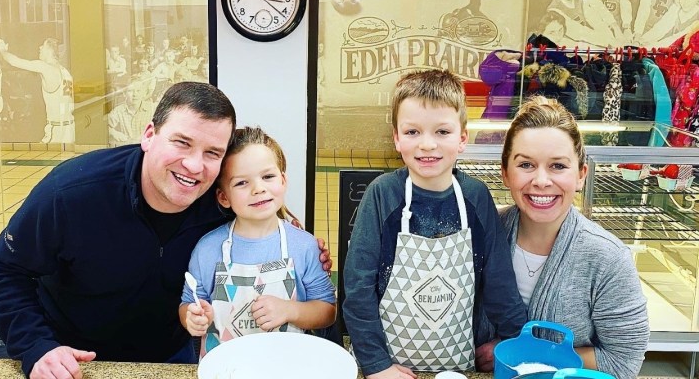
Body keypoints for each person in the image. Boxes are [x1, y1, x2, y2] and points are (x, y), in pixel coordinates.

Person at [0, 82, 332, 379]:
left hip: (171, 356)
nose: (194, 165)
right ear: (149, 135)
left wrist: (300, 241)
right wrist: (36, 347)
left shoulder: (218, 199)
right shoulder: (71, 194)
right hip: (75, 357)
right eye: (182, 142)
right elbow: (3, 269)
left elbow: (263, 212)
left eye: (213, 152)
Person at [343, 69, 526, 378]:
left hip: (459, 366)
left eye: (442, 132)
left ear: (463, 138)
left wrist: (512, 343)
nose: (427, 145)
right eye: (413, 132)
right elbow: (357, 286)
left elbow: (499, 281)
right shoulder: (382, 194)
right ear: (397, 139)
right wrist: (376, 365)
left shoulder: (476, 197)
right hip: (386, 365)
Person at [494, 95, 649, 379]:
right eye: (526, 165)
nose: (541, 180)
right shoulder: (485, 233)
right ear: (505, 173)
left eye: (558, 166)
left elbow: (623, 360)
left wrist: (530, 356)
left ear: (581, 175)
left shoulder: (608, 258)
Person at [180, 126, 336, 356]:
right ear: (224, 196)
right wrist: (192, 318)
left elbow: (327, 311)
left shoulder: (304, 246)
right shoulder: (208, 248)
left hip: (287, 366)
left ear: (283, 180)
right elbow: (188, 302)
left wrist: (290, 310)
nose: (258, 189)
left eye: (268, 176)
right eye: (242, 183)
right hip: (225, 368)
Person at [0, 37, 74, 143]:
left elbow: (15, 62)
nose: (40, 47)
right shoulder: (64, 71)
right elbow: (65, 101)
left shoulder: (45, 67)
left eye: (43, 45)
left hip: (57, 131)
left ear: (50, 50)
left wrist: (3, 51)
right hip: (69, 129)